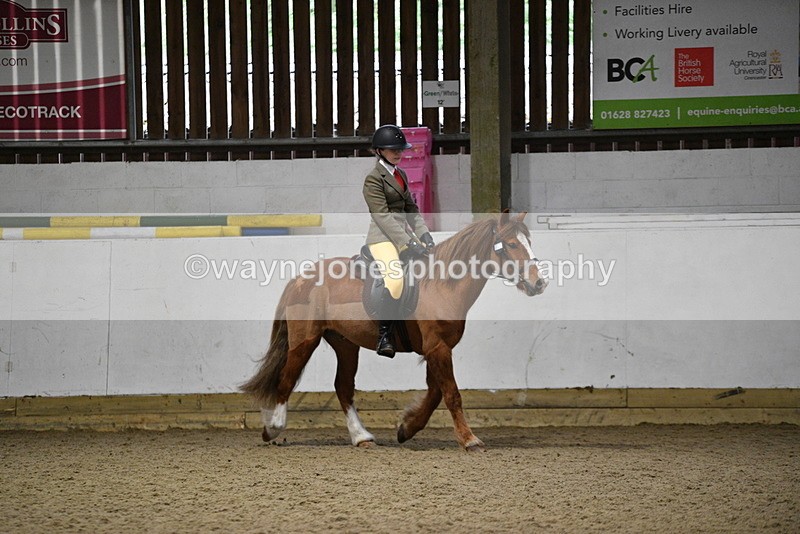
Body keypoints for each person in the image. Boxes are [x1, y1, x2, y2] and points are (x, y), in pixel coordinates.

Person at [363, 124, 435, 357]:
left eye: (400, 149)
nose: (398, 153)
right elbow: (382, 216)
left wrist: (423, 234)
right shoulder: (374, 179)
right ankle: (385, 335)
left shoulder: (400, 174)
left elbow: (411, 209)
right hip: (382, 238)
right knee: (394, 281)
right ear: (379, 151)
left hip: (405, 235)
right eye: (392, 149)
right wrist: (407, 242)